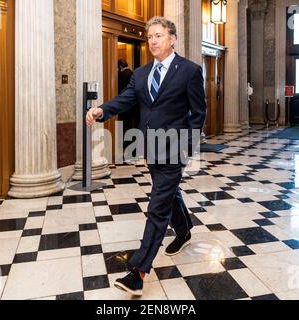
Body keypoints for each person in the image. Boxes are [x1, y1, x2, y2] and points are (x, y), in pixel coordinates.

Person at [86, 16, 206, 296]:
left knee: (157, 206)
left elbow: (199, 114)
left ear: (172, 39)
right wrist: (101, 110)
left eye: (158, 36)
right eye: (149, 36)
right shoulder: (140, 74)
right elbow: (125, 100)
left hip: (174, 148)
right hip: (150, 146)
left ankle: (138, 271)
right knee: (168, 193)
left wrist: (186, 146)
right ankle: (185, 229)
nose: (152, 41)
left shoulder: (189, 71)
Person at [117, 59, 139, 154]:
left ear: (120, 67)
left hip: (124, 106)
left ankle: (125, 144)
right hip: (135, 107)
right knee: (132, 126)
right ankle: (133, 146)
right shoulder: (133, 73)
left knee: (124, 126)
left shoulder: (120, 75)